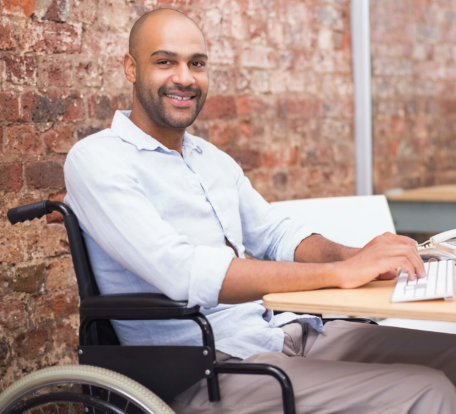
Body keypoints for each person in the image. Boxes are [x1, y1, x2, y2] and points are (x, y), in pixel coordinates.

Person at [64, 8, 456, 414]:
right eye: (165, 62)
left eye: (196, 64)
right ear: (131, 67)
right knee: (430, 392)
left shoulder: (209, 158)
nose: (184, 77)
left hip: (279, 335)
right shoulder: (97, 160)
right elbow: (182, 272)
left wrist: (355, 256)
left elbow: (275, 234)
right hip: (206, 372)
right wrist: (336, 274)